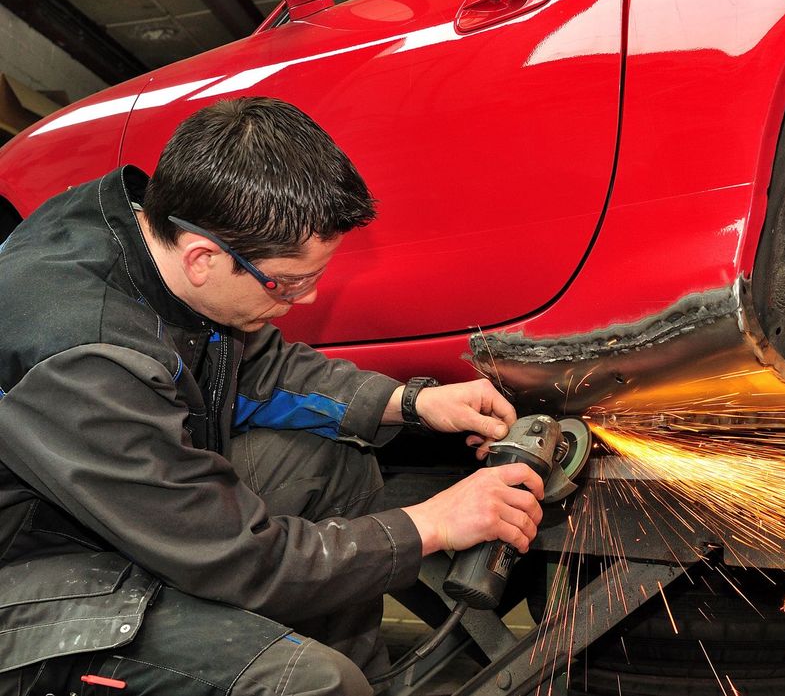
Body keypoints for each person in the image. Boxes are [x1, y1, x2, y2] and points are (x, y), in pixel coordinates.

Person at [0, 97, 545, 695]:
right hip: (35, 572)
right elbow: (238, 559)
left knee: (330, 463)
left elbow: (256, 365)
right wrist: (432, 524)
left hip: (118, 503)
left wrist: (411, 402)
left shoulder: (147, 237)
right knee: (310, 684)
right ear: (203, 258)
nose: (306, 301)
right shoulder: (85, 360)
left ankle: (361, 679)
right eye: (288, 283)